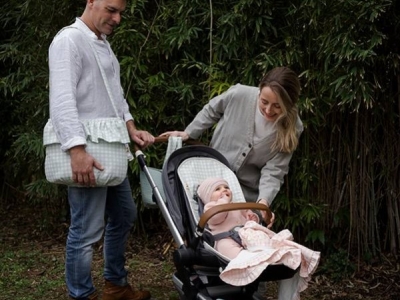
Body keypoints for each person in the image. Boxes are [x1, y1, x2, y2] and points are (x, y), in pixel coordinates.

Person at [48, 0, 154, 299]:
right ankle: (82, 294)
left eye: (120, 12)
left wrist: (131, 128)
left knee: (123, 214)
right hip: (87, 150)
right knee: (86, 229)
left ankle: (115, 285)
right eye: (111, 9)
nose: (117, 18)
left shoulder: (101, 43)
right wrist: (76, 151)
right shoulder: (69, 39)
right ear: (90, 2)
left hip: (109, 149)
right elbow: (61, 100)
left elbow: (115, 96)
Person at [162, 66, 303, 225]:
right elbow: (211, 111)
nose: (268, 110)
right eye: (264, 102)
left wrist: (264, 201)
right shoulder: (239, 94)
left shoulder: (294, 127)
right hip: (212, 183)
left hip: (245, 196)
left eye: (277, 106)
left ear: (289, 104)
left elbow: (275, 170)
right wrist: (189, 133)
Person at [196, 177, 320, 300]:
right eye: (218, 189)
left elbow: (249, 219)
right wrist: (223, 201)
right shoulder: (210, 208)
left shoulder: (237, 205)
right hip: (225, 238)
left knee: (263, 238)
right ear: (207, 197)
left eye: (226, 187)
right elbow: (216, 217)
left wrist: (251, 216)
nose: (224, 190)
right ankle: (247, 260)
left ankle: (267, 254)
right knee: (225, 246)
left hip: (246, 237)